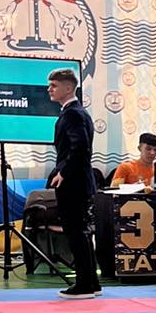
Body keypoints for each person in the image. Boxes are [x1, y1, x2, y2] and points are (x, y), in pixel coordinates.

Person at [47, 67, 101, 299]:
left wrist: (64, 172)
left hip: (73, 182)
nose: (49, 89)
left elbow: (80, 147)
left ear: (69, 88)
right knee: (81, 232)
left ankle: (84, 285)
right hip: (78, 180)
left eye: (54, 85)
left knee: (75, 232)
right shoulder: (76, 112)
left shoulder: (73, 114)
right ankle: (91, 282)